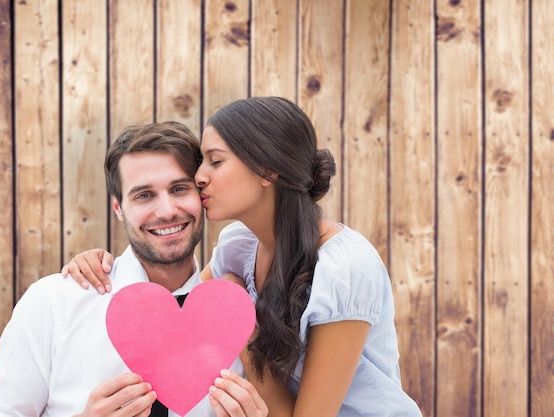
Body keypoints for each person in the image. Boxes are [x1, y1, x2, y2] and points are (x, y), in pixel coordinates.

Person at [65, 97, 423, 416]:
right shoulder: (239, 245)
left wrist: (241, 314)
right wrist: (104, 264)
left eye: (215, 161)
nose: (199, 176)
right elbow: (176, 309)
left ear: (268, 170)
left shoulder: (344, 267)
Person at [0, 122, 268, 417]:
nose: (166, 211)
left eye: (179, 189)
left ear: (201, 196)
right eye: (144, 195)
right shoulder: (53, 304)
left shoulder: (240, 320)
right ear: (118, 208)